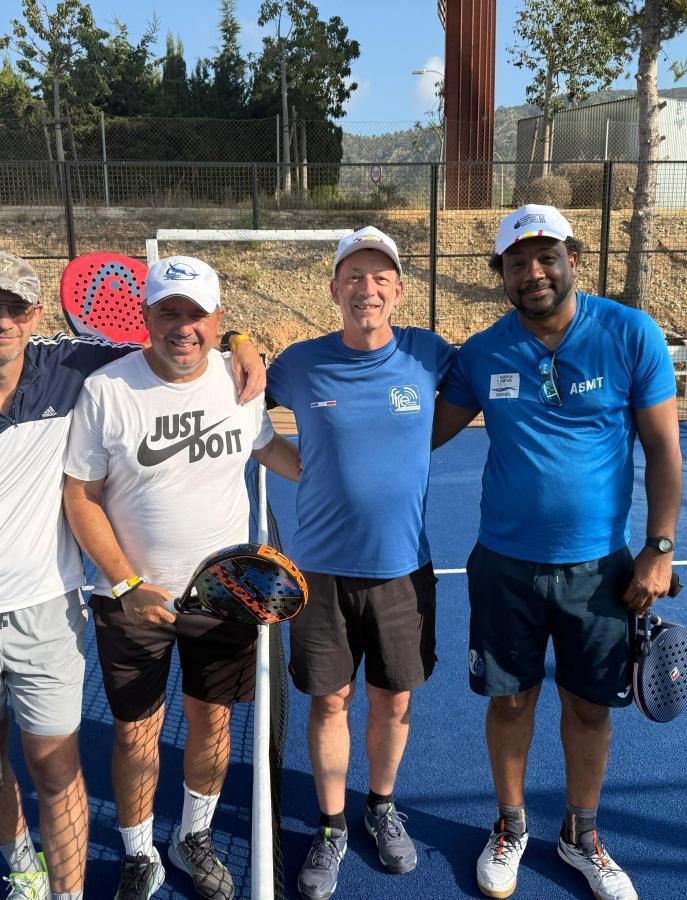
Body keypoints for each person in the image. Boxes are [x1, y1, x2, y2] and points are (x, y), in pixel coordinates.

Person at [0, 250, 265, 900]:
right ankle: (25, 868)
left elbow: (177, 337)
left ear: (35, 313)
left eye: (15, 306)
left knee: (58, 769)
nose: (1, 319)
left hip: (47, 612)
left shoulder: (68, 365)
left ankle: (82, 885)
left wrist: (242, 339)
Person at [432, 205, 682, 900]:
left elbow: (664, 449)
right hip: (504, 566)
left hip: (601, 569)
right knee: (510, 705)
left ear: (574, 257)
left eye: (546, 257)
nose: (533, 273)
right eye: (517, 263)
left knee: (591, 709)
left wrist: (657, 549)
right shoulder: (482, 353)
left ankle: (580, 833)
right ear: (501, 276)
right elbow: (419, 435)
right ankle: (511, 826)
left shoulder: (630, 333)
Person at [61, 255, 301, 900]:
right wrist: (124, 585)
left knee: (213, 724)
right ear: (146, 316)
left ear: (219, 321)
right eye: (170, 312)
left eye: (198, 315)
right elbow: (79, 495)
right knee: (136, 735)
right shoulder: (107, 391)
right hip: (132, 600)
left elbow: (268, 450)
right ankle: (140, 852)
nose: (184, 327)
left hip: (224, 596)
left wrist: (339, 479)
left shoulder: (238, 382)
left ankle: (193, 836)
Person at [266, 227, 457, 900]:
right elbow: (235, 410)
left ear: (398, 291)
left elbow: (493, 379)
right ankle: (330, 826)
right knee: (329, 702)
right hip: (319, 573)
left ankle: (379, 806)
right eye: (355, 276)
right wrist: (235, 346)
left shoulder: (428, 354)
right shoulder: (297, 364)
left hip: (404, 569)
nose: (367, 288)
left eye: (381, 277)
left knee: (393, 700)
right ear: (334, 289)